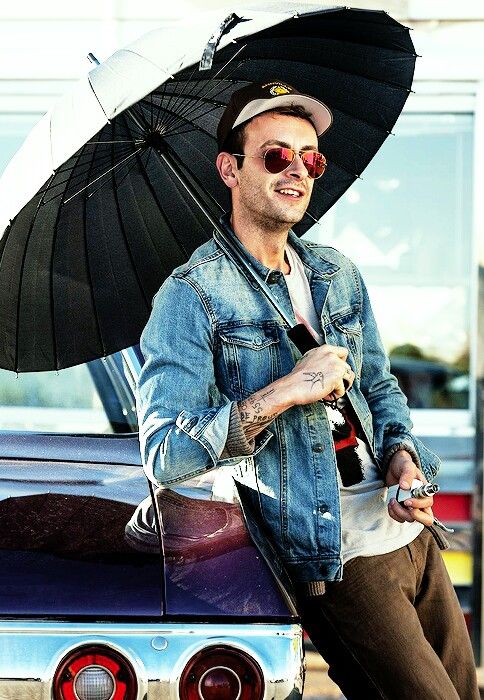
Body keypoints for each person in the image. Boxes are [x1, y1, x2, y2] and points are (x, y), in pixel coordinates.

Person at [137, 80, 478, 699]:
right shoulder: (189, 297)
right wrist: (286, 390)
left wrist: (404, 463)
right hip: (337, 557)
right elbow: (165, 453)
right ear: (230, 169)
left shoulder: (336, 273)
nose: (297, 170)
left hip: (409, 532)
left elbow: (380, 388)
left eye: (309, 157)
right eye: (275, 155)